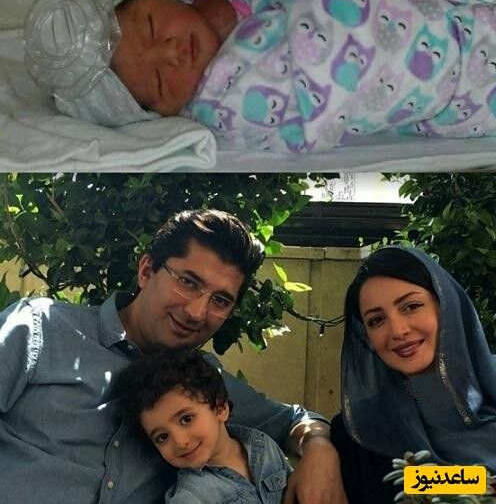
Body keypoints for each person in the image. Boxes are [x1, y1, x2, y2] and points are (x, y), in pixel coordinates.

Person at [24, 0, 496, 154]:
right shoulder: (233, 102)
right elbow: (331, 79)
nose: (171, 52)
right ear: (167, 113)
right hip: (459, 66)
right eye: (160, 82)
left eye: (150, 26)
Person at [0, 208, 347, 504]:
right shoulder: (41, 327)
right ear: (146, 270)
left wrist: (319, 447)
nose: (197, 312)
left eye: (220, 300)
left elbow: (293, 420)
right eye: (188, 282)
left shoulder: (201, 382)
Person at [331, 246, 496, 504]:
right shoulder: (364, 430)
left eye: (411, 306)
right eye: (376, 320)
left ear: (446, 305)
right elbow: (392, 485)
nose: (398, 331)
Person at [116, 346, 293, 503]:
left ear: (221, 407)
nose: (180, 442)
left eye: (186, 419)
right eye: (162, 437)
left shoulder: (264, 445)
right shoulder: (190, 497)